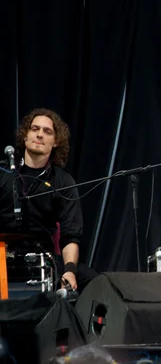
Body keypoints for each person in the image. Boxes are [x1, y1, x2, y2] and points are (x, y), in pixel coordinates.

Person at [0, 108, 97, 294]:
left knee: (96, 283)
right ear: (25, 135)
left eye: (47, 131)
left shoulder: (62, 181)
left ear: (55, 142)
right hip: (2, 254)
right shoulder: (4, 174)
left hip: (44, 257)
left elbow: (70, 234)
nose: (39, 135)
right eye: (34, 129)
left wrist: (69, 271)